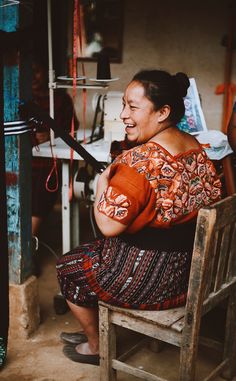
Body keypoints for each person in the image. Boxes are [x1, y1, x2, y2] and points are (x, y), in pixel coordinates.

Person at [56, 69, 222, 365]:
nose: (123, 115)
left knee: (68, 266)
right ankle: (99, 331)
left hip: (153, 285)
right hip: (191, 276)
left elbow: (107, 226)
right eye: (123, 105)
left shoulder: (139, 163)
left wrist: (102, 186)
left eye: (133, 107)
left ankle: (96, 345)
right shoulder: (196, 149)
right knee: (93, 251)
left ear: (163, 112)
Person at [31, 58, 78, 236]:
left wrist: (53, 134)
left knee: (41, 195)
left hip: (47, 163)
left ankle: (27, 251)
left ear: (47, 73)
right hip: (24, 162)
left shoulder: (60, 99)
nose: (33, 76)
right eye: (29, 71)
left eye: (37, 70)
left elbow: (72, 128)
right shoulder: (20, 98)